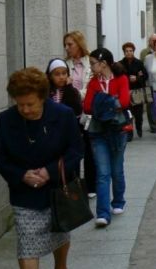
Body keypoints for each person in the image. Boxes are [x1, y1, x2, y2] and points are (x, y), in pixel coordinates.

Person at [0, 67, 83, 269]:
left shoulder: (63, 115)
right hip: (24, 194)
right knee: (27, 245)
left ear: (42, 97)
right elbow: (0, 158)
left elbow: (76, 151)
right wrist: (21, 175)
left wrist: (48, 172)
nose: (25, 109)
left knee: (59, 236)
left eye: (30, 104)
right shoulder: (6, 120)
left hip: (58, 191)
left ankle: (61, 266)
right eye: (20, 104)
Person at [83, 48, 130, 227]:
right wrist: (111, 101)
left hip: (117, 130)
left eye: (93, 63)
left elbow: (125, 102)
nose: (91, 66)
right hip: (98, 131)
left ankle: (118, 201)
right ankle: (102, 213)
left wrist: (101, 102)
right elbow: (87, 106)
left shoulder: (121, 79)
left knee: (117, 169)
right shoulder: (94, 83)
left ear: (103, 63)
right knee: (103, 173)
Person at [63, 31, 95, 197]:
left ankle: (90, 185)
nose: (67, 48)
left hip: (88, 113)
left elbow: (89, 89)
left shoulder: (90, 63)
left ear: (79, 44)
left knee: (89, 149)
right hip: (70, 114)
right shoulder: (64, 65)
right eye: (66, 45)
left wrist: (73, 91)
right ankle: (74, 184)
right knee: (73, 151)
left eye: (70, 44)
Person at [120, 42, 149, 139]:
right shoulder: (120, 63)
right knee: (128, 113)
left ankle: (139, 128)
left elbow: (145, 76)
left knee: (138, 114)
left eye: (130, 51)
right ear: (124, 52)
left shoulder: (139, 63)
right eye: (127, 51)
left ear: (133, 51)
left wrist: (137, 78)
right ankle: (129, 133)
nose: (129, 53)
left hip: (137, 91)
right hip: (126, 91)